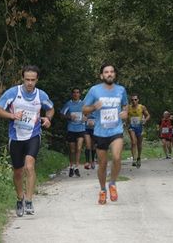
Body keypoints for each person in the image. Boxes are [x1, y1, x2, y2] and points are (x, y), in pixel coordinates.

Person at [0, 65, 54, 217]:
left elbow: (51, 108)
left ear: (37, 80)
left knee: (29, 166)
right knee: (18, 171)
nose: (29, 83)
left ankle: (29, 200)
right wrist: (12, 116)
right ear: (23, 79)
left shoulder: (41, 95)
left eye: (33, 80)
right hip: (15, 137)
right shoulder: (13, 92)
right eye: (27, 79)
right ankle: (19, 198)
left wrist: (48, 118)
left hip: (33, 135)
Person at [83, 62, 128, 205]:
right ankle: (103, 189)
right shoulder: (94, 90)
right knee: (102, 164)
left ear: (114, 74)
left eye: (112, 72)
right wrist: (93, 107)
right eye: (106, 72)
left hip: (116, 130)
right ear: (101, 75)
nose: (109, 74)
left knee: (116, 157)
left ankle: (112, 183)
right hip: (100, 132)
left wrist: (125, 113)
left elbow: (125, 105)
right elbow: (84, 109)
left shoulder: (121, 90)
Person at [60, 88, 86, 177]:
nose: (76, 94)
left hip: (81, 129)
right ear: (72, 94)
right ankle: (71, 166)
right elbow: (62, 114)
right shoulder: (68, 103)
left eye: (77, 92)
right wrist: (69, 117)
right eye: (74, 92)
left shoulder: (83, 103)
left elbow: (89, 112)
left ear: (80, 94)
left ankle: (77, 167)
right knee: (72, 150)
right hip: (71, 129)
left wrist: (86, 118)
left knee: (79, 148)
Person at [127, 94, 150, 168]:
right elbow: (125, 116)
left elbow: (148, 115)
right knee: (134, 142)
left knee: (139, 144)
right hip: (131, 127)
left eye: (135, 99)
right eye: (132, 100)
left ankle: (138, 157)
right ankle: (134, 159)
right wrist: (126, 121)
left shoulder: (142, 107)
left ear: (138, 100)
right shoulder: (128, 108)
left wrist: (145, 120)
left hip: (140, 127)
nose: (134, 101)